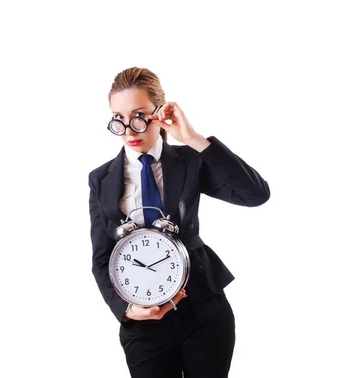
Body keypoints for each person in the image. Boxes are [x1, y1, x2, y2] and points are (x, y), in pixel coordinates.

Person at [88, 67, 270, 378]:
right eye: (118, 118)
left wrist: (193, 138)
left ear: (159, 113)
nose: (129, 130)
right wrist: (126, 310)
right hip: (144, 325)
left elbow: (254, 194)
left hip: (204, 311)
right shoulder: (101, 179)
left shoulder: (190, 160)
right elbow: (102, 256)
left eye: (139, 115)